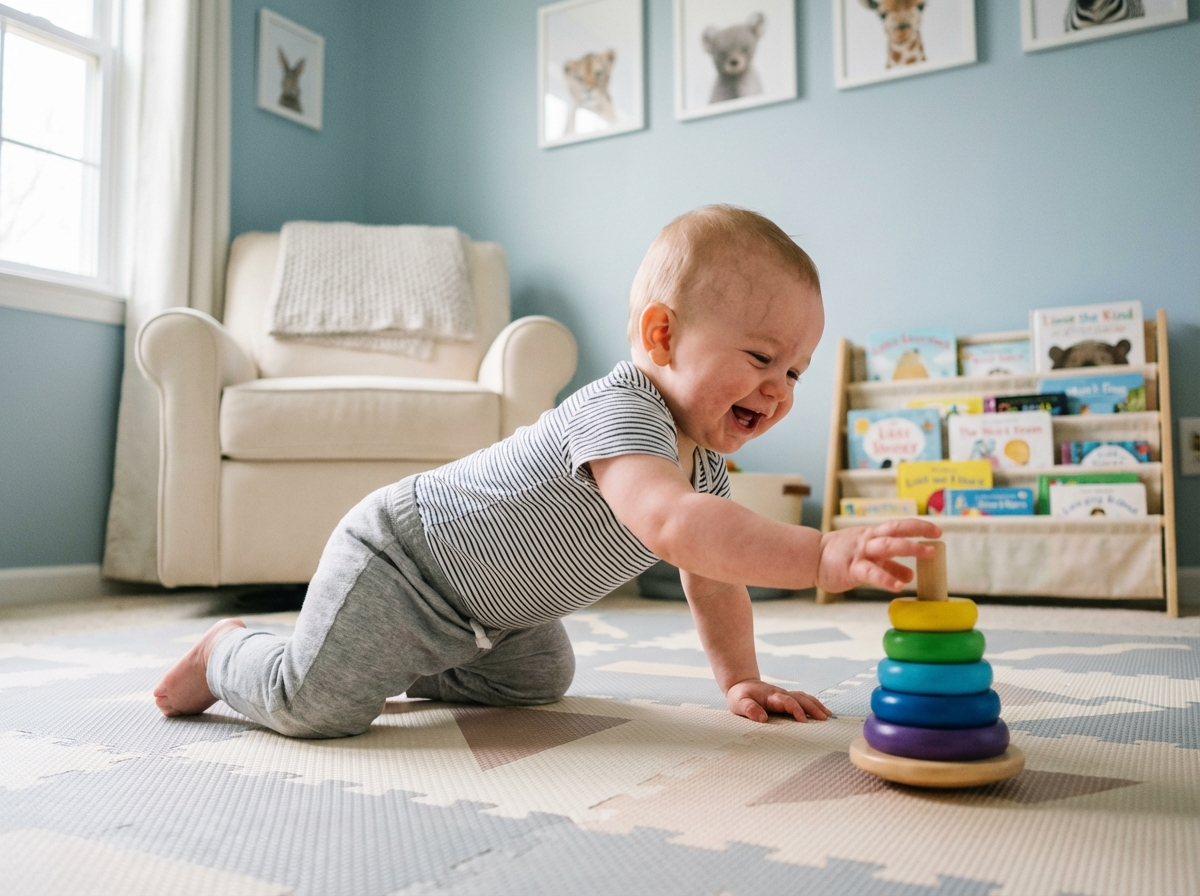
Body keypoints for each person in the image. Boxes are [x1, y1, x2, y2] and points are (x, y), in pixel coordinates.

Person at [154, 205, 941, 738]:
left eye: (797, 374)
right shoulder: (623, 411)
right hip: (402, 562)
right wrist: (818, 555)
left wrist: (740, 679)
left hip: (492, 619)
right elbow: (673, 528)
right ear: (661, 336)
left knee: (540, 681)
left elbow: (712, 574)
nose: (778, 389)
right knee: (317, 705)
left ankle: (396, 659)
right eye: (762, 358)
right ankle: (227, 651)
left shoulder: (704, 473)